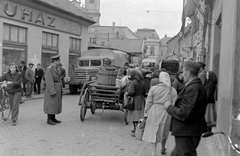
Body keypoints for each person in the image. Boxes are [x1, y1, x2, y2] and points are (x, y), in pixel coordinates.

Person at [164, 61, 207, 156]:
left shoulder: (193, 88)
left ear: (188, 72)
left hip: (187, 131)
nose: (182, 74)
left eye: (183, 72)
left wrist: (169, 107)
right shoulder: (194, 86)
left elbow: (184, 113)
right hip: (187, 131)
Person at [142, 72, 178, 156]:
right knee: (164, 131)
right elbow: (174, 102)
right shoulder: (172, 90)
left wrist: (146, 114)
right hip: (167, 112)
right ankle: (163, 148)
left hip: (154, 111)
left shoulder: (153, 89)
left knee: (154, 131)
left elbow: (149, 103)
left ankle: (153, 153)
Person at [43, 55, 62, 125]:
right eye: (59, 61)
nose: (59, 62)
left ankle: (53, 117)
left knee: (54, 104)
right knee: (50, 104)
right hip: (52, 88)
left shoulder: (56, 68)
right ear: (55, 61)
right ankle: (49, 119)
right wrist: (52, 91)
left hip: (57, 87)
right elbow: (49, 81)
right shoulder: (49, 69)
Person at [126, 70, 146, 137]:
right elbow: (144, 92)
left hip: (135, 101)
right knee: (140, 116)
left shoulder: (133, 83)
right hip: (142, 100)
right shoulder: (142, 82)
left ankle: (135, 130)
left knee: (135, 117)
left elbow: (131, 92)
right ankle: (139, 129)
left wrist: (127, 93)